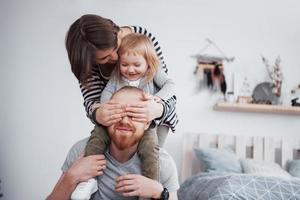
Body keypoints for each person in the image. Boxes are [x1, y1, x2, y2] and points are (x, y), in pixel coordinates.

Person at [65, 14, 178, 198]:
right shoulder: (101, 71)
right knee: (99, 144)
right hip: (114, 123)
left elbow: (169, 91)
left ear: (116, 31)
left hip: (149, 120)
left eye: (116, 48)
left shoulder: (142, 40)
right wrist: (100, 112)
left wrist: (157, 107)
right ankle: (88, 183)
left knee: (151, 155)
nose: (117, 58)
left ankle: (150, 188)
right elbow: (93, 104)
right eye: (105, 58)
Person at [47, 86, 179, 200]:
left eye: (134, 115)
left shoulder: (163, 162)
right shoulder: (81, 151)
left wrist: (160, 193)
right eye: (117, 113)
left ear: (147, 123)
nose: (124, 121)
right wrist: (71, 176)